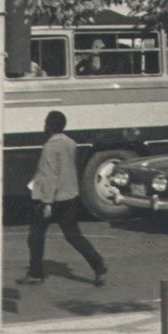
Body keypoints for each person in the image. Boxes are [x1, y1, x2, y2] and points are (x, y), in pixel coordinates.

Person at [19, 111, 107, 287]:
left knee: (35, 236)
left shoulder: (50, 147)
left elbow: (50, 175)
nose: (44, 126)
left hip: (51, 199)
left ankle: (36, 273)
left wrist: (47, 203)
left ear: (50, 126)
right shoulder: (70, 143)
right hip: (70, 195)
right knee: (73, 236)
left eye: (46, 123)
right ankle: (98, 265)